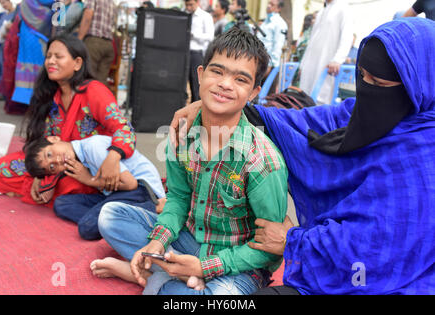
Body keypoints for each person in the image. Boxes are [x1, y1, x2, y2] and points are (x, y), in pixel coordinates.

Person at [171, 17, 435, 294]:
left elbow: (375, 253)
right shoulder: (356, 113)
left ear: (418, 84)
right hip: (322, 263)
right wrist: (214, 105)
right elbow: (292, 124)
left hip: (383, 282)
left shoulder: (424, 164)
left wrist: (292, 241)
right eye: (362, 76)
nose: (366, 88)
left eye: (377, 82)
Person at [90, 28, 288, 295]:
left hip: (237, 263)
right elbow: (179, 200)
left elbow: (269, 250)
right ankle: (168, 271)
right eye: (217, 72)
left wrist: (205, 268)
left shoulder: (262, 160)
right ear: (200, 75)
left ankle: (155, 276)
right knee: (111, 216)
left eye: (240, 79)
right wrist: (158, 243)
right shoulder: (181, 133)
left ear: (253, 92)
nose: (225, 84)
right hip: (189, 240)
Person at [0, 34, 136, 208]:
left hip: (91, 168)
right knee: (3, 167)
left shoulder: (94, 91)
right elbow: (46, 144)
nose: (51, 61)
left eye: (58, 56)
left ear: (77, 63)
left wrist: (112, 158)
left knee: (68, 186)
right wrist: (41, 176)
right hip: (54, 164)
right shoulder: (52, 96)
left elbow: (125, 129)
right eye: (48, 56)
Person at [24, 135, 166, 240]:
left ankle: (151, 209)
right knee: (62, 204)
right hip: (117, 193)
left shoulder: (92, 147)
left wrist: (89, 180)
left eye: (49, 154)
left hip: (142, 189)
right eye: (52, 167)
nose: (56, 160)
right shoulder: (78, 158)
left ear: (54, 139)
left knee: (87, 227)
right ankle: (111, 218)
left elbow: (130, 183)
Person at [298, 0, 353, 105]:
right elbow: (312, 41)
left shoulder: (343, 8)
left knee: (320, 101)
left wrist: (337, 59)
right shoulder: (322, 11)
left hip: (328, 65)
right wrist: (303, 64)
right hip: (311, 65)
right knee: (304, 99)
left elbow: (347, 37)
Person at [78, 0, 115, 85]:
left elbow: (88, 16)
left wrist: (79, 39)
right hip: (108, 44)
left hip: (94, 43)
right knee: (101, 83)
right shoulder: (111, 3)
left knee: (86, 78)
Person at [184, 0, 214, 103]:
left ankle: (196, 109)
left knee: (195, 84)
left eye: (191, 4)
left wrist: (194, 35)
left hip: (196, 53)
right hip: (183, 52)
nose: (188, 7)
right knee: (181, 82)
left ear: (197, 3)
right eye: (187, 5)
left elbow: (210, 36)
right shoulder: (185, 15)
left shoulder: (205, 17)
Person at [257, 0, 287, 74]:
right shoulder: (266, 22)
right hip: (259, 60)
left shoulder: (279, 23)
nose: (268, 6)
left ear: (278, 8)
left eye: (272, 4)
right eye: (269, 3)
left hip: (268, 65)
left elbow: (278, 45)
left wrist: (270, 64)